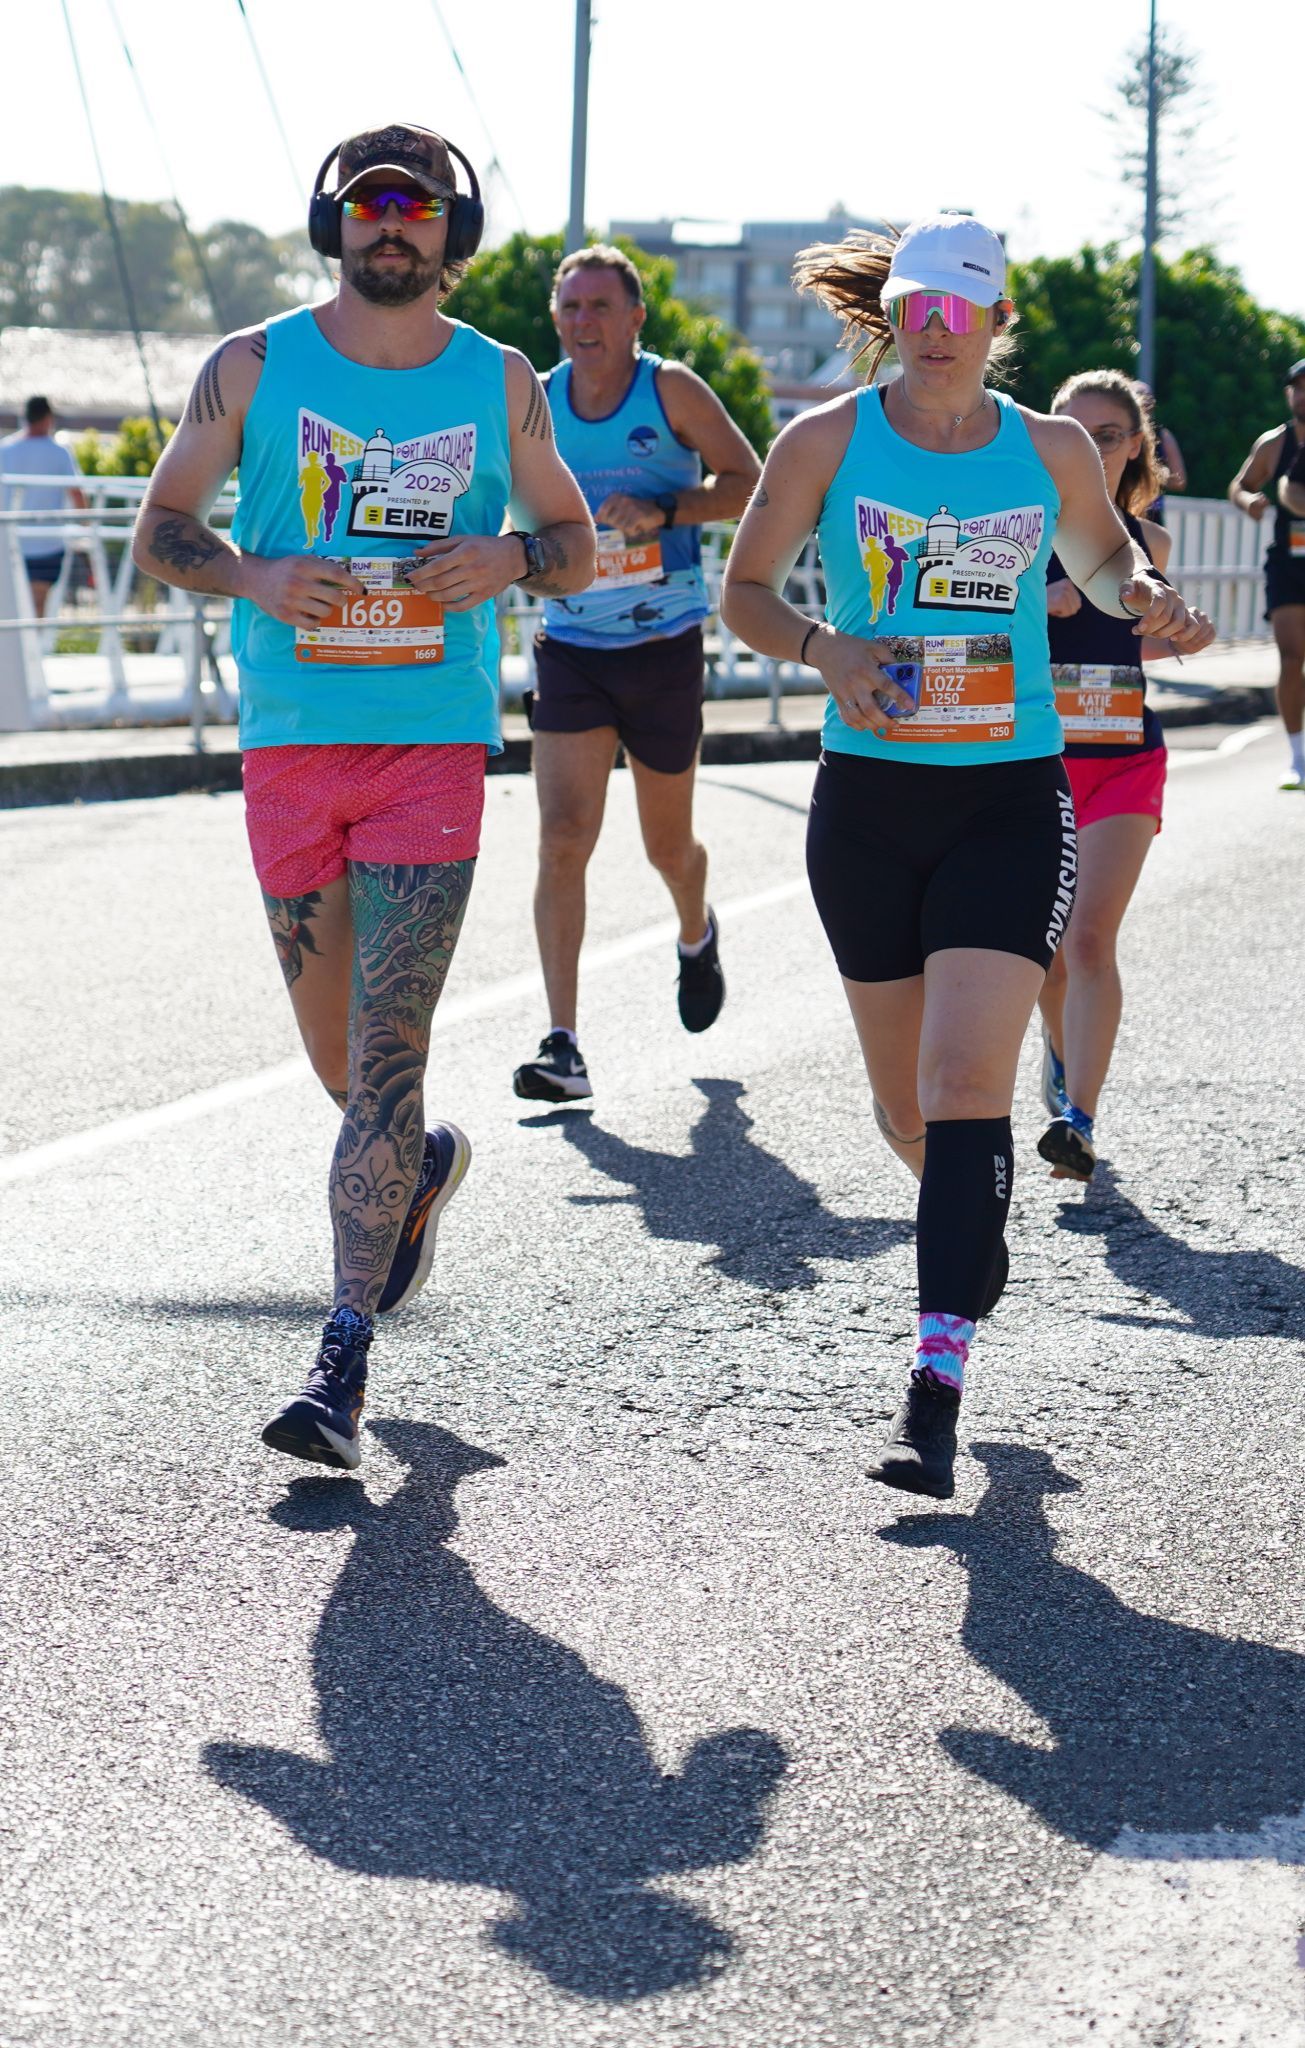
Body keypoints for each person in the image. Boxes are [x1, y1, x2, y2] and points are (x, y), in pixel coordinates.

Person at [721, 215, 1212, 1501]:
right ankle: (966, 1226)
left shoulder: (1049, 447)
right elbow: (748, 592)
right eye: (920, 302)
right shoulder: (826, 440)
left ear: (998, 323)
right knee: (905, 1110)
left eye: (966, 305)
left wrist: (1148, 596)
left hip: (1009, 791)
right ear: (895, 312)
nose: (941, 324)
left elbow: (1104, 557)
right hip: (870, 798)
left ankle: (934, 1383)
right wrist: (828, 650)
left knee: (961, 1080)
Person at [132, 123, 594, 1470]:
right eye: (371, 203)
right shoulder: (252, 368)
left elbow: (571, 544)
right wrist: (256, 576)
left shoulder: (500, 380)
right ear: (332, 223)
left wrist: (507, 553)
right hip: (289, 746)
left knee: (387, 1048)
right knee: (346, 1070)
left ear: (456, 235)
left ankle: (340, 1363)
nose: (395, 223)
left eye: (423, 206)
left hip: (427, 749)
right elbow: (164, 527)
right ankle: (425, 1166)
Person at [511, 244, 761, 1105]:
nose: (585, 322)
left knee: (666, 846)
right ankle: (563, 1042)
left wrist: (663, 509)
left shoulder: (672, 391)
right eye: (570, 308)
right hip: (572, 644)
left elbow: (748, 482)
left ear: (635, 317)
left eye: (601, 307)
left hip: (662, 647)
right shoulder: (535, 405)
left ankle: (695, 931)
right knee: (562, 836)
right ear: (556, 319)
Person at [1037, 370, 1180, 1183]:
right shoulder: (1015, 531)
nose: (1088, 447)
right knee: (1048, 954)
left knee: (1090, 936)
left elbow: (1141, 635)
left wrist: (1173, 628)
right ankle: (1059, 1054)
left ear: (1134, 448)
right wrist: (1036, 600)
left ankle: (1078, 1120)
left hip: (1124, 756)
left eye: (1106, 434)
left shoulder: (1148, 543)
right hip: (1033, 761)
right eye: (1070, 429)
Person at [1228, 359, 1305, 790]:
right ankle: (1297, 757)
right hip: (1289, 563)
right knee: (1292, 657)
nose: (1303, 394)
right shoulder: (1274, 444)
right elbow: (1238, 485)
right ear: (1288, 394)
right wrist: (1250, 502)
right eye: (1297, 387)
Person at [0, 396, 87, 616]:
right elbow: (77, 494)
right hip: (47, 544)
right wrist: (86, 530)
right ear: (47, 418)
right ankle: (33, 648)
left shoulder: (5, 450)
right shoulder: (59, 452)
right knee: (37, 606)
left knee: (12, 608)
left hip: (11, 542)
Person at [1133, 380, 1187, 521]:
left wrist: (1152, 474)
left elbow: (1179, 481)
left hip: (1151, 514)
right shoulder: (1118, 435)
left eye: (1148, 402)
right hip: (1121, 511)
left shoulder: (1163, 436)